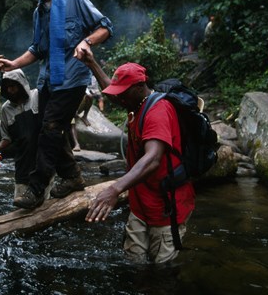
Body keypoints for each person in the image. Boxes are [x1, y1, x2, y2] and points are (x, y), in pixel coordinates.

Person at [0, 0, 113, 209]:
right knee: (44, 129)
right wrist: (14, 64)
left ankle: (36, 189)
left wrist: (87, 41)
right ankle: (72, 176)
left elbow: (105, 27)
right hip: (48, 80)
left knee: (50, 127)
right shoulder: (39, 12)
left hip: (73, 79)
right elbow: (37, 49)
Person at [81, 50, 195, 263]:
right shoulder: (136, 102)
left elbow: (153, 159)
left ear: (140, 87)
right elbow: (112, 91)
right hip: (141, 204)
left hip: (166, 208)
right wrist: (91, 62)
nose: (119, 97)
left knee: (162, 272)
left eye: (124, 92)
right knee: (135, 264)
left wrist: (114, 189)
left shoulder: (157, 111)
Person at [0, 69, 40, 201]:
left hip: (42, 162)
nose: (10, 90)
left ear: (21, 84)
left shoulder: (37, 96)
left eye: (13, 86)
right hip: (22, 164)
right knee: (20, 203)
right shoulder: (5, 109)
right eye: (7, 87)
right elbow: (7, 137)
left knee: (42, 204)